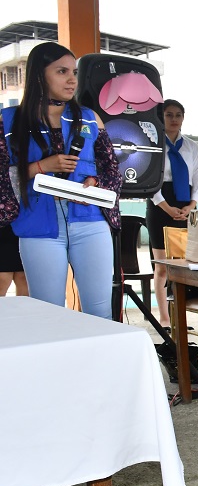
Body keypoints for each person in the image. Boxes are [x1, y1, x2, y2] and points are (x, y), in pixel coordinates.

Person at [0, 42, 121, 318]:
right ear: (39, 75)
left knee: (100, 311)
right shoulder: (9, 121)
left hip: (90, 222)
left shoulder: (90, 118)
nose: (72, 80)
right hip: (38, 226)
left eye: (74, 72)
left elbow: (111, 170)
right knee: (48, 314)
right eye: (61, 71)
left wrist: (95, 183)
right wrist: (40, 167)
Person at [148, 99, 198, 330]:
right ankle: (164, 318)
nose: (174, 119)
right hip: (160, 204)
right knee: (163, 266)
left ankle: (180, 317)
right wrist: (166, 207)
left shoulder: (191, 146)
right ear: (161, 117)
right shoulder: (153, 143)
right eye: (169, 114)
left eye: (178, 115)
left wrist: (191, 206)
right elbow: (149, 179)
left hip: (185, 206)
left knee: (182, 267)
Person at [0, 226, 27, 296]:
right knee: (3, 278)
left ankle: (22, 303)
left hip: (24, 230)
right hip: (3, 232)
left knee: (23, 278)